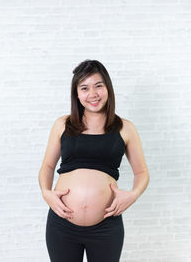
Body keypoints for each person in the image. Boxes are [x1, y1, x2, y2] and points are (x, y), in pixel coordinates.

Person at [38, 59, 150, 262]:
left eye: (98, 86)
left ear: (108, 88)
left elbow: (141, 172)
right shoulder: (62, 125)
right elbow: (47, 166)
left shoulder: (125, 128)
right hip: (62, 225)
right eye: (85, 88)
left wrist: (133, 196)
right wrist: (46, 193)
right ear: (77, 93)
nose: (93, 94)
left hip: (106, 227)